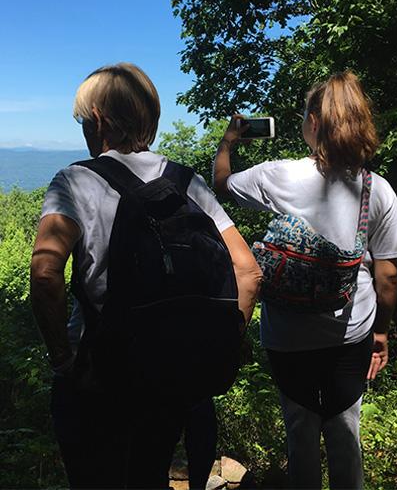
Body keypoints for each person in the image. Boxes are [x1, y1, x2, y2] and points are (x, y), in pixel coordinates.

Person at [29, 63, 261, 489]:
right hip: (171, 376)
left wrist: (64, 361)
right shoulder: (188, 183)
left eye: (82, 120)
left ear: (97, 120)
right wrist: (219, 344)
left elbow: (45, 275)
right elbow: (248, 271)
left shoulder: (74, 182)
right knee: (148, 475)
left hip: (100, 377)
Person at [213, 69, 397, 489]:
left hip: (288, 335)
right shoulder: (377, 189)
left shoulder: (276, 175)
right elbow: (388, 276)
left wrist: (230, 142)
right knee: (345, 431)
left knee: (300, 431)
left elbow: (222, 185)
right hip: (350, 334)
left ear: (315, 122)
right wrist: (381, 334)